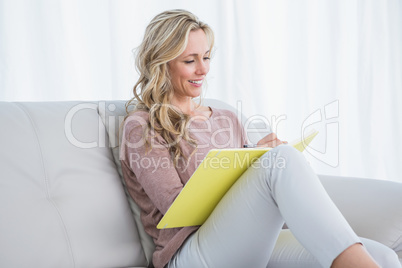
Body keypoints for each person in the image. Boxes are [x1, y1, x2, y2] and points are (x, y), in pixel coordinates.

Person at [120, 9, 400, 268]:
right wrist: (256, 168)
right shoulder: (142, 126)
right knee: (280, 161)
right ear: (162, 63)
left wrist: (255, 156)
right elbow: (177, 209)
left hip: (248, 240)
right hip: (190, 252)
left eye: (206, 57)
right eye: (190, 61)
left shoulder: (225, 118)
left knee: (384, 256)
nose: (203, 70)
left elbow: (245, 196)